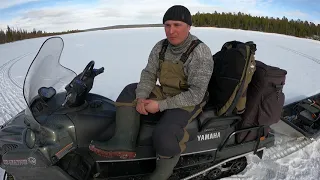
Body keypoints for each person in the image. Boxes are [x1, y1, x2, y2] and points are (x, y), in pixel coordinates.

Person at [89, 5, 214, 179]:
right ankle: (123, 143)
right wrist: (141, 97)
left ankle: (162, 174)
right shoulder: (161, 47)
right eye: (167, 25)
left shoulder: (200, 52)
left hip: (189, 99)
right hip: (167, 91)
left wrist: (161, 105)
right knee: (130, 91)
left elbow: (196, 93)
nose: (171, 31)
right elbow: (149, 73)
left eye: (177, 25)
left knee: (165, 134)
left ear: (188, 26)